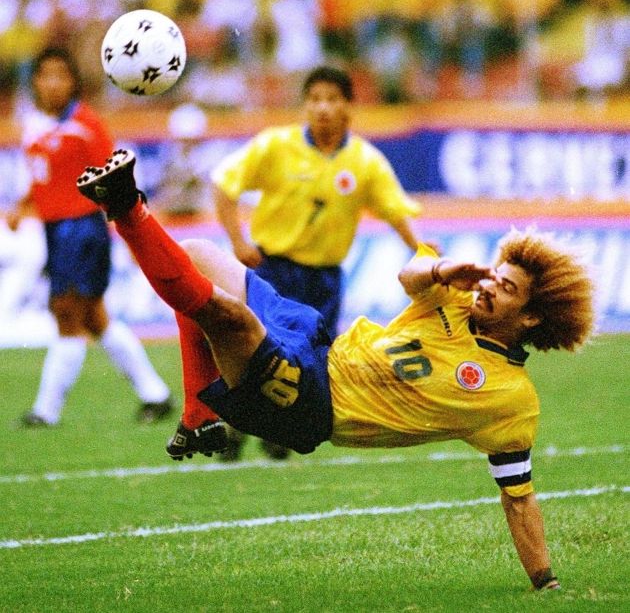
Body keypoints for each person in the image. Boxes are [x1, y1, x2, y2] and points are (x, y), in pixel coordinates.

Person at [77, 148, 594, 591]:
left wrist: (544, 581)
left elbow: (519, 498)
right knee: (197, 254)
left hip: (312, 406)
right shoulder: (455, 298)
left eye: (505, 288)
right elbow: (409, 272)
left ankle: (126, 207)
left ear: (530, 317)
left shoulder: (509, 401)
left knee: (226, 317)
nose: (487, 285)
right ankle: (197, 413)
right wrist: (440, 268)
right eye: (495, 275)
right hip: (319, 345)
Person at [211, 64, 422, 459]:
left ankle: (279, 433)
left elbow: (396, 211)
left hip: (324, 278)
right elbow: (224, 184)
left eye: (332, 99)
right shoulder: (275, 146)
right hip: (273, 268)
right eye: (315, 99)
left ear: (348, 108)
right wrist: (237, 241)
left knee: (311, 363)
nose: (323, 108)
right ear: (305, 105)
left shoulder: (365, 162)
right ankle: (233, 426)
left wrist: (422, 250)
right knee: (254, 349)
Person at [7, 47, 174, 427]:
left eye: (60, 75)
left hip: (81, 229)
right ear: (35, 81)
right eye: (45, 74)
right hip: (54, 228)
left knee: (66, 314)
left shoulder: (87, 124)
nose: (52, 83)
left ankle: (45, 411)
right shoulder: (36, 124)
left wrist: (130, 231)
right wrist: (22, 205)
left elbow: (113, 175)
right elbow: (44, 175)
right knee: (96, 319)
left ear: (73, 82)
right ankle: (156, 394)